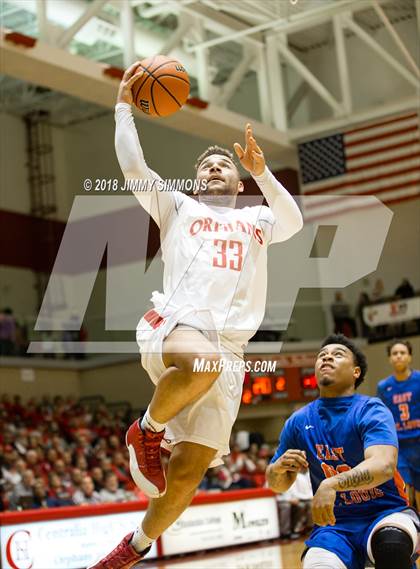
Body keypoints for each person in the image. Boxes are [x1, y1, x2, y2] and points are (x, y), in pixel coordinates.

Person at [89, 61, 303, 568]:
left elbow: (293, 221)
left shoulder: (256, 219)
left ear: (237, 178)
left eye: (222, 165)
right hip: (178, 326)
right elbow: (134, 168)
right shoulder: (179, 207)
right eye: (206, 165)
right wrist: (124, 106)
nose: (213, 169)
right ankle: (145, 430)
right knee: (201, 362)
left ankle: (132, 550)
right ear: (195, 179)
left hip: (230, 352)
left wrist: (262, 171)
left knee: (186, 474)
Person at [266, 334, 419, 569]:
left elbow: (383, 466)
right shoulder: (298, 421)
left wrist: (332, 484)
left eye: (337, 354)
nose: (326, 357)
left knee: (392, 545)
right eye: (321, 356)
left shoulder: (370, 409)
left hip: (385, 512)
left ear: (355, 372)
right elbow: (277, 484)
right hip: (334, 527)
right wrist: (277, 469)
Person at [377, 340, 420, 510]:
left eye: (402, 353)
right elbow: (381, 416)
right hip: (399, 446)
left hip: (418, 442)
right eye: (394, 353)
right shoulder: (384, 386)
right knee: (404, 487)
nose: (399, 356)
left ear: (409, 357)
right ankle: (410, 523)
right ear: (389, 359)